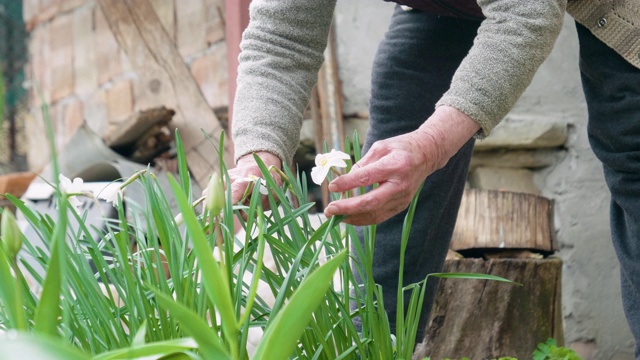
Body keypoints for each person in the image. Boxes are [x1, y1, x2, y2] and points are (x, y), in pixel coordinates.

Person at [227, 0, 640, 356]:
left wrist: (430, 146)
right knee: (399, 114)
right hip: (447, 8)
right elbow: (280, 39)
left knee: (631, 142)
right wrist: (258, 153)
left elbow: (525, 15)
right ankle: (376, 345)